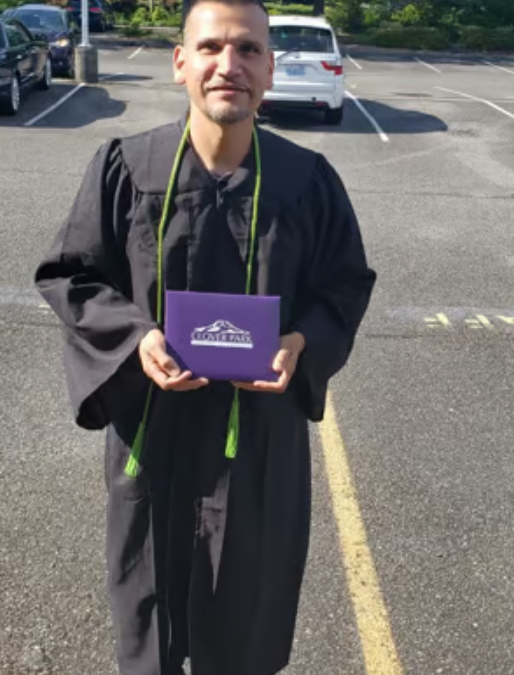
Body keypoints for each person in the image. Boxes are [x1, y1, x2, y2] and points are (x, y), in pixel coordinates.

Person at [34, 0, 376, 673]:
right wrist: (135, 338)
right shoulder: (126, 169)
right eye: (212, 47)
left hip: (259, 450)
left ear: (269, 69)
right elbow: (70, 274)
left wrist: (302, 343)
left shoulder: (306, 183)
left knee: (244, 639)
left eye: (248, 49)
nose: (229, 65)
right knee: (150, 633)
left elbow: (343, 286)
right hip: (153, 438)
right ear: (180, 62)